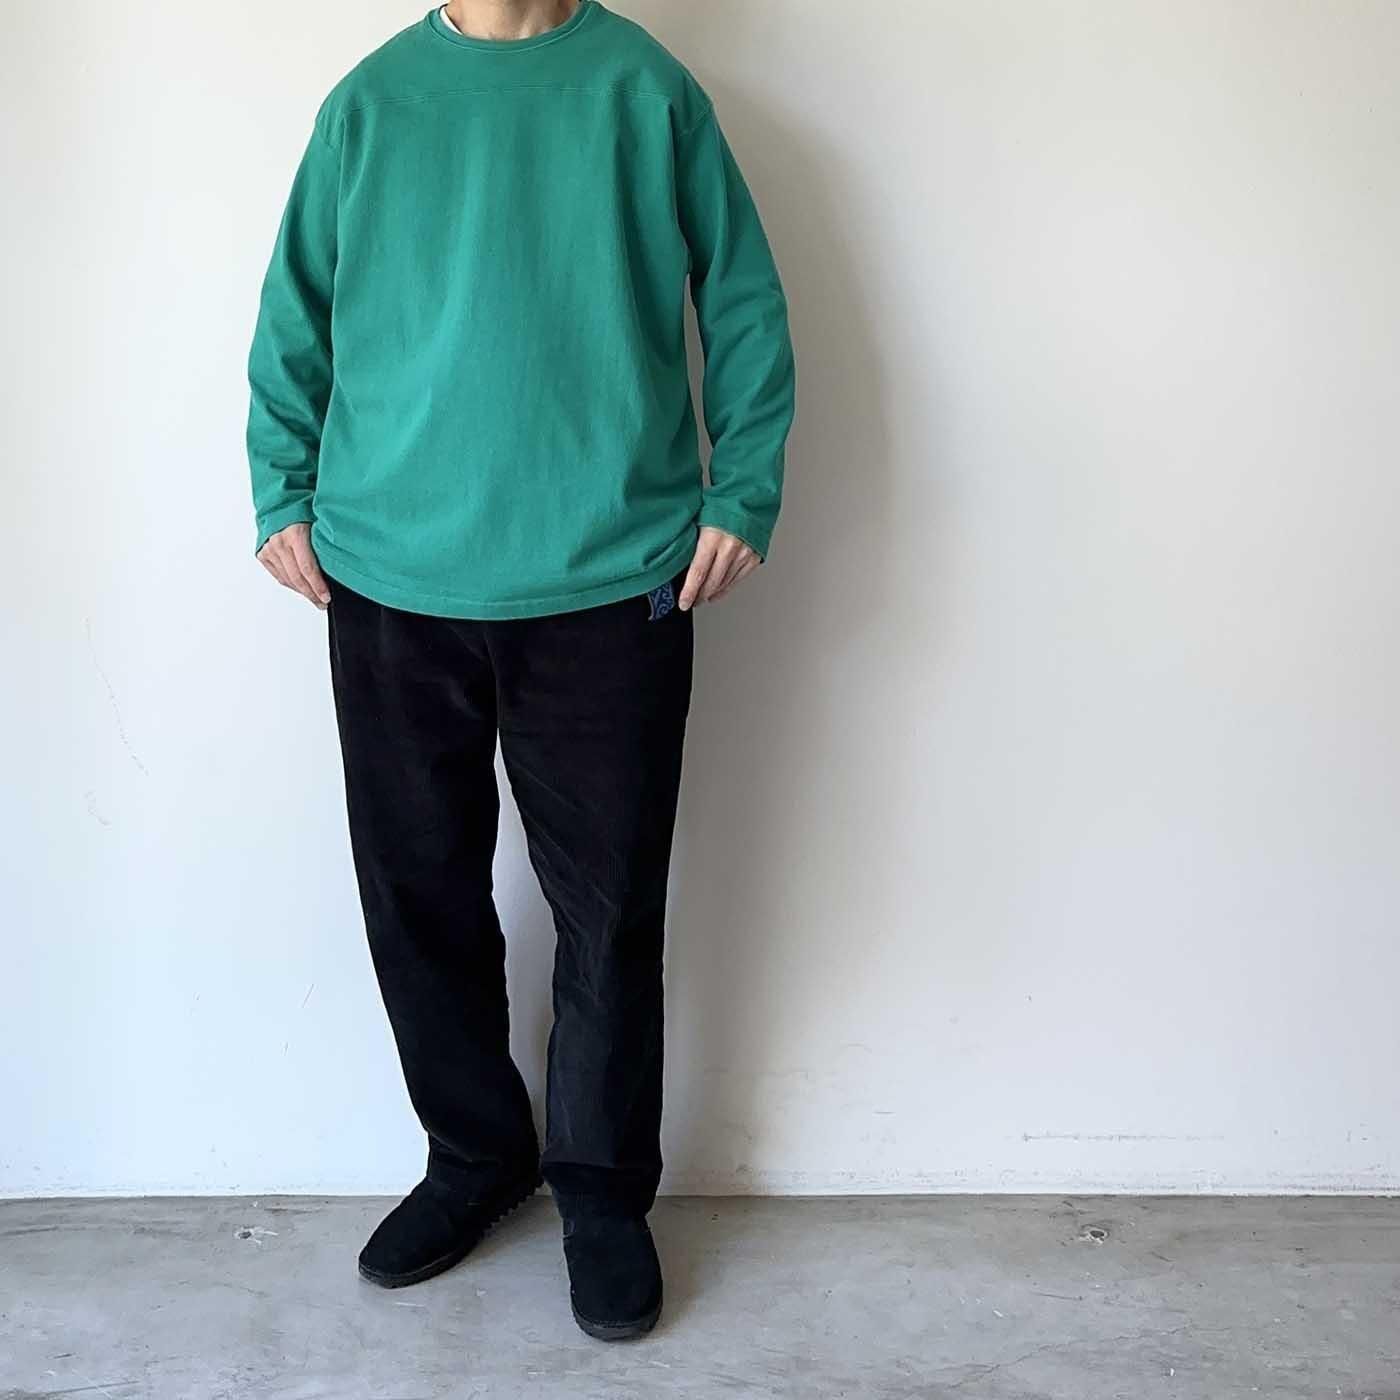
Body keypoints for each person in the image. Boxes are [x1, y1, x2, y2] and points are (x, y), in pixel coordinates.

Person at [245, 0, 794, 1341]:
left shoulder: (645, 93)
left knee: (609, 913)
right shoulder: (371, 104)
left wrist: (743, 490)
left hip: (612, 579)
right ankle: (474, 1157)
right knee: (418, 897)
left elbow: (741, 297)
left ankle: (600, 1194)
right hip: (387, 576)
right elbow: (295, 309)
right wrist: (279, 487)